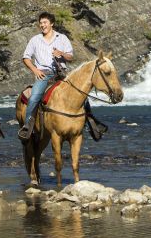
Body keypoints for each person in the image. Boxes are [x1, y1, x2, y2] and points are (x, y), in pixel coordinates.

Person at [18, 12, 108, 141]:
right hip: (44, 74)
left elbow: (70, 57)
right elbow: (26, 57)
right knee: (34, 97)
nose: (42, 25)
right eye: (41, 23)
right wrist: (35, 70)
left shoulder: (62, 38)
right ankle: (28, 126)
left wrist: (61, 54)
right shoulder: (35, 40)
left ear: (52, 24)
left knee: (82, 95)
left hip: (61, 74)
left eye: (45, 23)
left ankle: (92, 124)